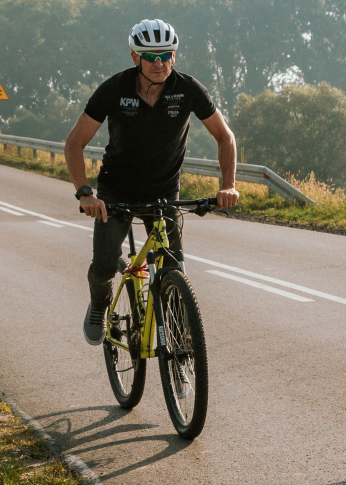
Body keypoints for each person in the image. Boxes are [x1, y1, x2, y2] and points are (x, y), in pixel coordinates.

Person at [65, 18, 240, 343]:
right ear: (136, 57)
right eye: (150, 56)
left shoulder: (188, 89)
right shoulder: (115, 89)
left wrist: (228, 185)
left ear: (174, 55)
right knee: (104, 265)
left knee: (173, 272)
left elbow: (224, 137)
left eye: (166, 55)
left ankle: (178, 349)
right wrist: (85, 193)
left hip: (163, 194)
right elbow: (74, 142)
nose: (159, 63)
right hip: (116, 191)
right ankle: (99, 304)